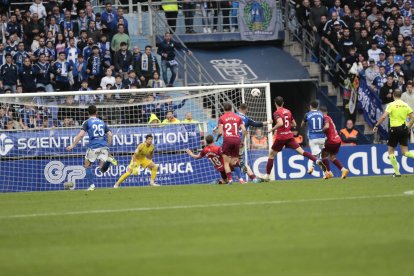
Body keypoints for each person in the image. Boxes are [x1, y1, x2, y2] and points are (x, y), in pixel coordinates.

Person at [261, 97, 326, 181]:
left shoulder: (277, 112)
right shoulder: (288, 111)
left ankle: (267, 176)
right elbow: (294, 124)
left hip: (281, 137)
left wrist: (272, 129)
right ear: (283, 103)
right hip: (289, 136)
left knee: (271, 155)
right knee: (302, 152)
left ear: (275, 103)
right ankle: (316, 161)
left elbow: (280, 123)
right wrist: (287, 127)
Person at [66, 105, 117, 191]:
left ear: (88, 113)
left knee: (87, 165)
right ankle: (108, 161)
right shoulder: (102, 122)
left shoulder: (87, 122)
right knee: (102, 169)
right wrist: (107, 146)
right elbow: (110, 134)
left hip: (93, 146)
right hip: (104, 146)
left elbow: (81, 135)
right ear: (96, 112)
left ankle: (92, 186)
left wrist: (72, 145)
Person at [373, 89, 414, 177]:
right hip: (404, 129)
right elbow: (413, 117)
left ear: (393, 95)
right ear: (400, 95)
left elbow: (384, 117)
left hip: (394, 129)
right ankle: (397, 172)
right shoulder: (405, 105)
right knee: (405, 152)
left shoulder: (391, 105)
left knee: (391, 150)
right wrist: (408, 126)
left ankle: (397, 172)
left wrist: (376, 125)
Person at [216, 102, 246, 183]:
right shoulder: (238, 117)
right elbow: (244, 130)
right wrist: (242, 140)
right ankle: (241, 179)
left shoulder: (221, 118)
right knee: (235, 161)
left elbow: (219, 132)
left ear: (224, 109)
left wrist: (217, 138)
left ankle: (230, 180)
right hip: (236, 139)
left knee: (226, 162)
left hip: (227, 140)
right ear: (231, 109)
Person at [320, 106, 349, 179]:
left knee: (323, 155)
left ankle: (328, 172)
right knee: (332, 157)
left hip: (332, 141)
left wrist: (320, 131)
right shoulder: (330, 118)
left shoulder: (325, 118)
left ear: (322, 112)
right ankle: (343, 170)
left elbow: (326, 127)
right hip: (338, 140)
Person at [301, 101, 326, 174]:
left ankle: (310, 168)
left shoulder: (307, 114)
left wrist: (306, 124)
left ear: (310, 106)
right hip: (322, 137)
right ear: (317, 106)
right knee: (319, 154)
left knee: (313, 156)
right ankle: (325, 173)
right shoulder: (321, 114)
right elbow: (324, 123)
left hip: (313, 138)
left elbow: (302, 124)